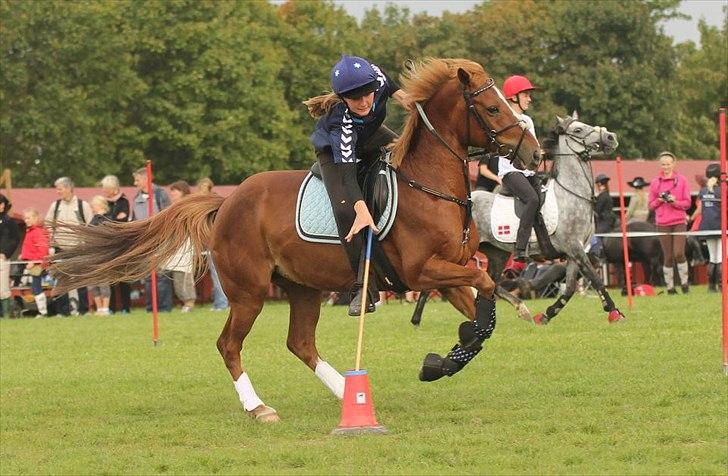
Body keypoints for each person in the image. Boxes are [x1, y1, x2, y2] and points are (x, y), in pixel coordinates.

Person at [304, 54, 411, 316]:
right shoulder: (342, 123)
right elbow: (349, 176)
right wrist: (361, 210)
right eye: (355, 98)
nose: (363, 102)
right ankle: (361, 288)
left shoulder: (378, 78)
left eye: (368, 94)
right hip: (333, 154)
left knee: (407, 158)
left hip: (372, 134)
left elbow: (387, 78)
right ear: (343, 98)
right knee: (346, 211)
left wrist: (402, 97)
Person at [478, 75, 540, 262]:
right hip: (510, 172)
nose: (530, 99)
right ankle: (520, 249)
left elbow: (533, 148)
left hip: (528, 172)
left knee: (544, 198)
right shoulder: (508, 119)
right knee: (532, 199)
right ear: (514, 96)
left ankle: (543, 245)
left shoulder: (528, 120)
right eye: (526, 94)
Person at [45, 177, 93, 315]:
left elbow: (90, 225)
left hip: (78, 248)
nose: (57, 192)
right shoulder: (55, 206)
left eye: (59, 189)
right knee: (61, 280)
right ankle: (63, 312)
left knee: (80, 279)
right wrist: (52, 244)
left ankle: (84, 311)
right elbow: (48, 225)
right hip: (60, 248)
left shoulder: (82, 205)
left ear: (68, 188)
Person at [648, 151, 691, 294]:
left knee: (679, 253)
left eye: (668, 164)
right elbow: (651, 205)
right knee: (668, 256)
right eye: (663, 164)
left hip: (679, 221)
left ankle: (685, 284)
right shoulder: (655, 182)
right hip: (662, 222)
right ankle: (670, 287)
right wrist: (660, 200)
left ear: (673, 164)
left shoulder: (682, 180)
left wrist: (674, 202)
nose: (665, 167)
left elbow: (687, 203)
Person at [131, 167, 173, 311]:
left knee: (162, 275)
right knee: (148, 276)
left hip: (161, 238)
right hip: (144, 239)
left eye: (137, 180)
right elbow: (135, 219)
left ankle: (164, 307)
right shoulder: (137, 197)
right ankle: (151, 307)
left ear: (146, 179)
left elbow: (169, 215)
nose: (135, 183)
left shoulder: (160, 194)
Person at [101, 174, 131, 314]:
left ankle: (126, 307)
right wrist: (113, 219)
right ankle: (111, 307)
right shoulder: (105, 202)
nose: (104, 191)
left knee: (124, 276)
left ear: (113, 188)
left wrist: (111, 220)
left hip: (122, 244)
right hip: (109, 244)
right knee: (111, 278)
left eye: (106, 188)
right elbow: (105, 220)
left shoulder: (123, 201)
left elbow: (121, 221)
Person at [196, 177, 228, 311]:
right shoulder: (203, 202)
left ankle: (221, 303)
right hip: (208, 242)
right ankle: (218, 302)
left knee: (217, 274)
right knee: (215, 274)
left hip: (214, 242)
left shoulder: (212, 203)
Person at [165, 180, 196, 312]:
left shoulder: (188, 206)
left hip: (186, 243)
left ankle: (189, 302)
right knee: (176, 276)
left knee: (184, 274)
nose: (171, 193)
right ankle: (183, 301)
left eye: (174, 191)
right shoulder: (171, 206)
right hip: (172, 244)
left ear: (182, 192)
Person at [20, 208, 50, 317]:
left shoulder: (37, 232)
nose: (26, 220)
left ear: (35, 218)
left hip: (38, 264)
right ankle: (42, 311)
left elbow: (43, 250)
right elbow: (30, 248)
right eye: (25, 218)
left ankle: (43, 312)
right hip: (34, 263)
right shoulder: (31, 231)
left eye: (28, 218)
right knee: (35, 287)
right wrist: (23, 256)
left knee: (36, 288)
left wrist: (33, 261)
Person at [698, 163, 723, 292]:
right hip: (721, 226)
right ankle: (721, 285)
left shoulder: (703, 190)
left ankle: (711, 287)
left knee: (713, 257)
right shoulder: (723, 190)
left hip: (707, 227)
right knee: (720, 258)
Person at [88, 196, 112, 315]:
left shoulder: (107, 219)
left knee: (103, 282)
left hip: (103, 254)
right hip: (92, 254)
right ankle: (99, 308)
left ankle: (105, 308)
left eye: (93, 205)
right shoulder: (93, 219)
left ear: (101, 205)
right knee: (93, 283)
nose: (92, 208)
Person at [0, 194, 21, 317]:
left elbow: (15, 239)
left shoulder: (9, 221)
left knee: (3, 288)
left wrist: (5, 253)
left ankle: (6, 315)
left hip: (2, 259)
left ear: (2, 205)